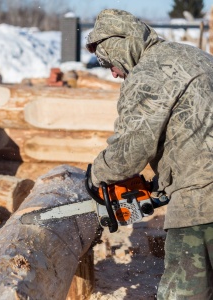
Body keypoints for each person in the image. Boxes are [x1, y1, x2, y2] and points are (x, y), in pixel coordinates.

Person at [86, 9, 213, 299]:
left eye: (109, 61)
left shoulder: (147, 75)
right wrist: (163, 184)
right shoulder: (196, 56)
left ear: (122, 45)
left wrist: (96, 177)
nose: (113, 72)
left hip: (202, 204)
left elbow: (128, 152)